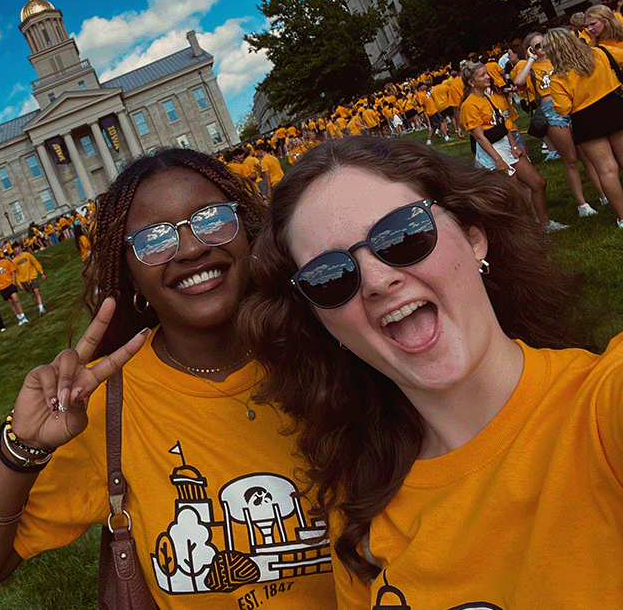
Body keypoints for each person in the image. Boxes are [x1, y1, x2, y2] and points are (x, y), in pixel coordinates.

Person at [0, 148, 336, 608]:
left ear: (247, 227)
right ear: (128, 271)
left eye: (210, 218)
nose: (190, 248)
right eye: (153, 239)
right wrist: (23, 447)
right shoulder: (104, 410)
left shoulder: (330, 346)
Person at [241, 136, 618, 607]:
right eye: (329, 275)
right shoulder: (360, 513)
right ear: (320, 320)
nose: (378, 280)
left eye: (403, 235)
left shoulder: (602, 410)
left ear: (474, 235)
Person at [459, 60, 566, 232]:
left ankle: (544, 224)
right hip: (493, 151)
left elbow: (502, 123)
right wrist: (498, 160)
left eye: (487, 73)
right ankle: (527, 231)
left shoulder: (488, 96)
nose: (488, 77)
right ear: (471, 82)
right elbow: (479, 137)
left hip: (506, 145)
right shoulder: (469, 105)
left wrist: (515, 145)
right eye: (483, 75)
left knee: (538, 183)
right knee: (516, 196)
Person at [514, 31, 603, 216]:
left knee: (586, 154)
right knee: (570, 159)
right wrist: (530, 59)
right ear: (530, 49)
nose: (542, 48)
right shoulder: (527, 66)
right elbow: (519, 83)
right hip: (551, 110)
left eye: (543, 43)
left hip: (571, 104)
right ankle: (582, 204)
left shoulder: (557, 59)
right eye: (536, 45)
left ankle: (603, 195)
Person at [544, 27, 623, 227]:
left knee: (607, 170)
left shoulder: (557, 77)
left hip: (586, 119)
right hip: (613, 107)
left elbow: (563, 108)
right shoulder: (598, 53)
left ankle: (622, 217)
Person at [0, 252, 28, 325]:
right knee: (11, 303)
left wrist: (13, 282)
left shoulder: (6, 262)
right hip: (2, 287)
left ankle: (23, 315)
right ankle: (19, 317)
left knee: (15, 299)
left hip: (10, 283)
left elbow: (12, 272)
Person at [11, 240, 47, 315]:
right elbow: (16, 273)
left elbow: (35, 263)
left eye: (17, 247)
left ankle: (41, 307)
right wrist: (19, 283)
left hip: (32, 276)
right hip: (24, 279)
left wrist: (41, 272)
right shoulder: (14, 261)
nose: (16, 249)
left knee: (36, 291)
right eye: (14, 248)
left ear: (19, 247)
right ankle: (39, 306)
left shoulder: (27, 255)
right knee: (32, 294)